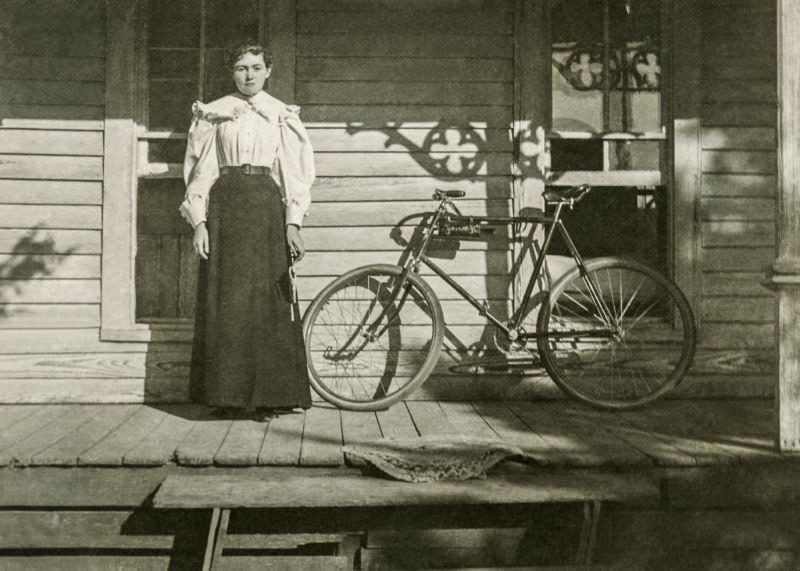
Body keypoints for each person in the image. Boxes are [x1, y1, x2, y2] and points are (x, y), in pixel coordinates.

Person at [181, 42, 314, 419]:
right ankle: (226, 397)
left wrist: (293, 224)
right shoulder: (215, 114)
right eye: (241, 68)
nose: (249, 75)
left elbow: (292, 174)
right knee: (227, 299)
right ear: (232, 72)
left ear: (268, 71)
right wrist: (200, 222)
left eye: (256, 67)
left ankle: (270, 398)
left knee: (267, 301)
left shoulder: (280, 115)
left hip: (267, 210)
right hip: (226, 208)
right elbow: (200, 171)